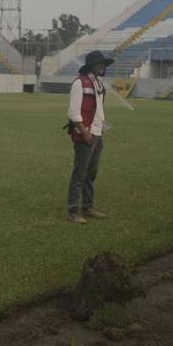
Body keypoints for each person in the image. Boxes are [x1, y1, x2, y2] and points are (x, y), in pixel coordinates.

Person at [65, 50, 112, 223]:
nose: (102, 66)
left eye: (104, 64)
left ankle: (88, 206)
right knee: (80, 174)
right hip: (86, 135)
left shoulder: (99, 83)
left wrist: (101, 125)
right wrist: (85, 132)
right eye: (99, 63)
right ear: (91, 65)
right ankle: (73, 210)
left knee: (91, 173)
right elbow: (73, 112)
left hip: (98, 133)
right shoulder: (80, 83)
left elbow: (97, 109)